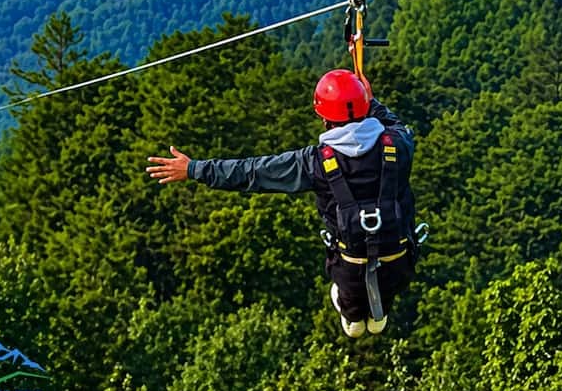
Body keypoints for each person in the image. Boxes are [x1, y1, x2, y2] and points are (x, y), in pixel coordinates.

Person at [146, 69, 418, 338]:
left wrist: (194, 169)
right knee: (380, 302)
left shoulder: (315, 163)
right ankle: (374, 314)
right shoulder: (397, 145)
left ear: (324, 118)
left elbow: (251, 172)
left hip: (348, 266)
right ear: (364, 107)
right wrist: (373, 102)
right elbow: (396, 125)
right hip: (399, 261)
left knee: (354, 320)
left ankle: (355, 315)